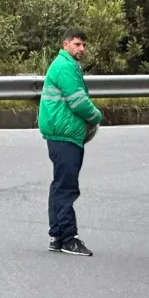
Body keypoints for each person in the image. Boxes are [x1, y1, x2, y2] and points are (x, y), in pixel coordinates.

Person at [38, 28, 103, 256]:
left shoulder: (64, 64)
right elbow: (78, 102)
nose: (81, 49)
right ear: (66, 44)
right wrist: (97, 117)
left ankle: (57, 234)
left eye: (83, 45)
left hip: (60, 133)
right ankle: (68, 237)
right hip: (64, 135)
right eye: (77, 44)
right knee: (66, 187)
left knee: (59, 185)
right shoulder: (65, 66)